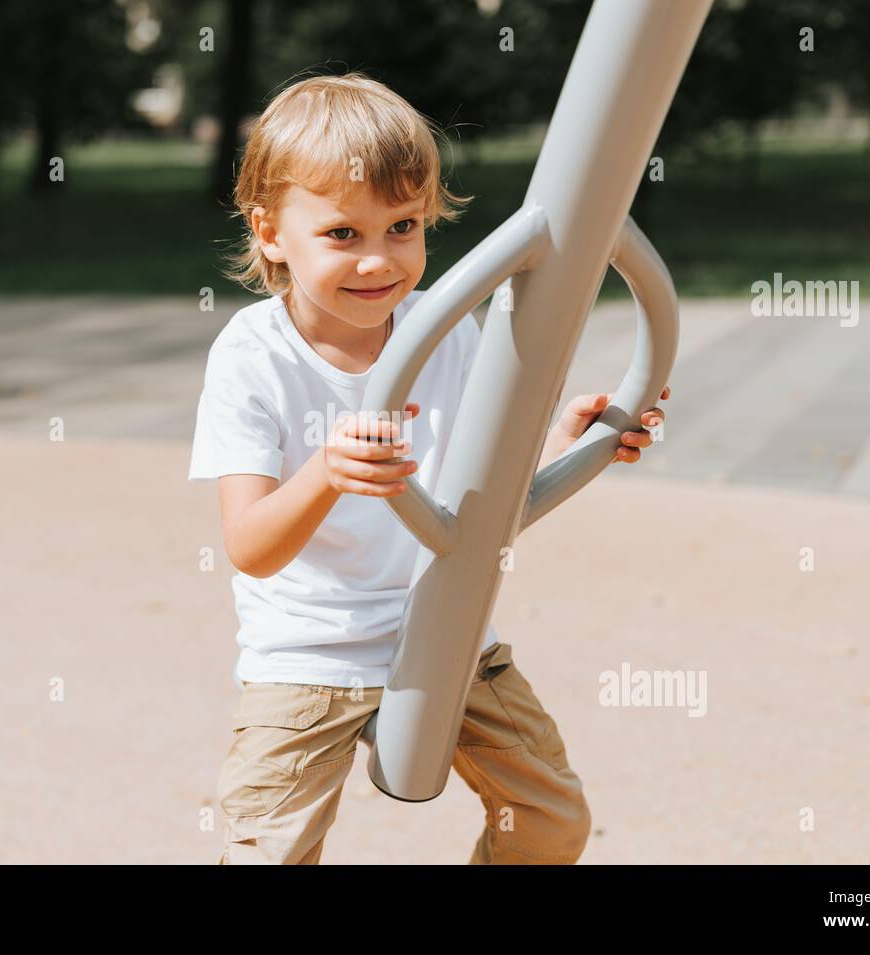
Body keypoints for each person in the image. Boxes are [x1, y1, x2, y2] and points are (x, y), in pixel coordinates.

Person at [189, 71, 668, 864]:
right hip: (312, 654)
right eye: (343, 234)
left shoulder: (444, 327)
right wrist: (326, 472)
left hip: (445, 634)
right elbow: (250, 545)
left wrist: (570, 445)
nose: (379, 262)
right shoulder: (251, 356)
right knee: (263, 851)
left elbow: (481, 490)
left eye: (403, 227)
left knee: (550, 818)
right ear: (270, 232)